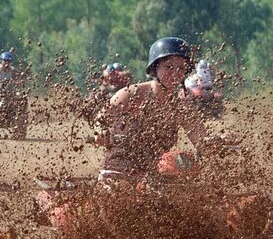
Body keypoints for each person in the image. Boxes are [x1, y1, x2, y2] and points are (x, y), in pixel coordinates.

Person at [94, 37, 227, 183]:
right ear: (154, 68)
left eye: (181, 68)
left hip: (153, 179)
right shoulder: (131, 94)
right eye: (168, 67)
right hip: (118, 175)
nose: (175, 73)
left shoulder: (182, 107)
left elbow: (202, 142)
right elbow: (101, 120)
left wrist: (220, 141)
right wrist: (101, 132)